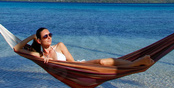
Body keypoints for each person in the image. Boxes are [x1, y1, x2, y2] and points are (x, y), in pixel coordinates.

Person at [14, 27, 154, 68]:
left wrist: (78, 67)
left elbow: (71, 60)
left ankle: (136, 63)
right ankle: (138, 63)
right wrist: (32, 36)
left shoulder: (60, 45)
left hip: (76, 67)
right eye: (45, 36)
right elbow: (16, 49)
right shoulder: (39, 55)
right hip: (71, 72)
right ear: (39, 40)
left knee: (103, 62)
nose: (49, 37)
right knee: (102, 62)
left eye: (50, 34)